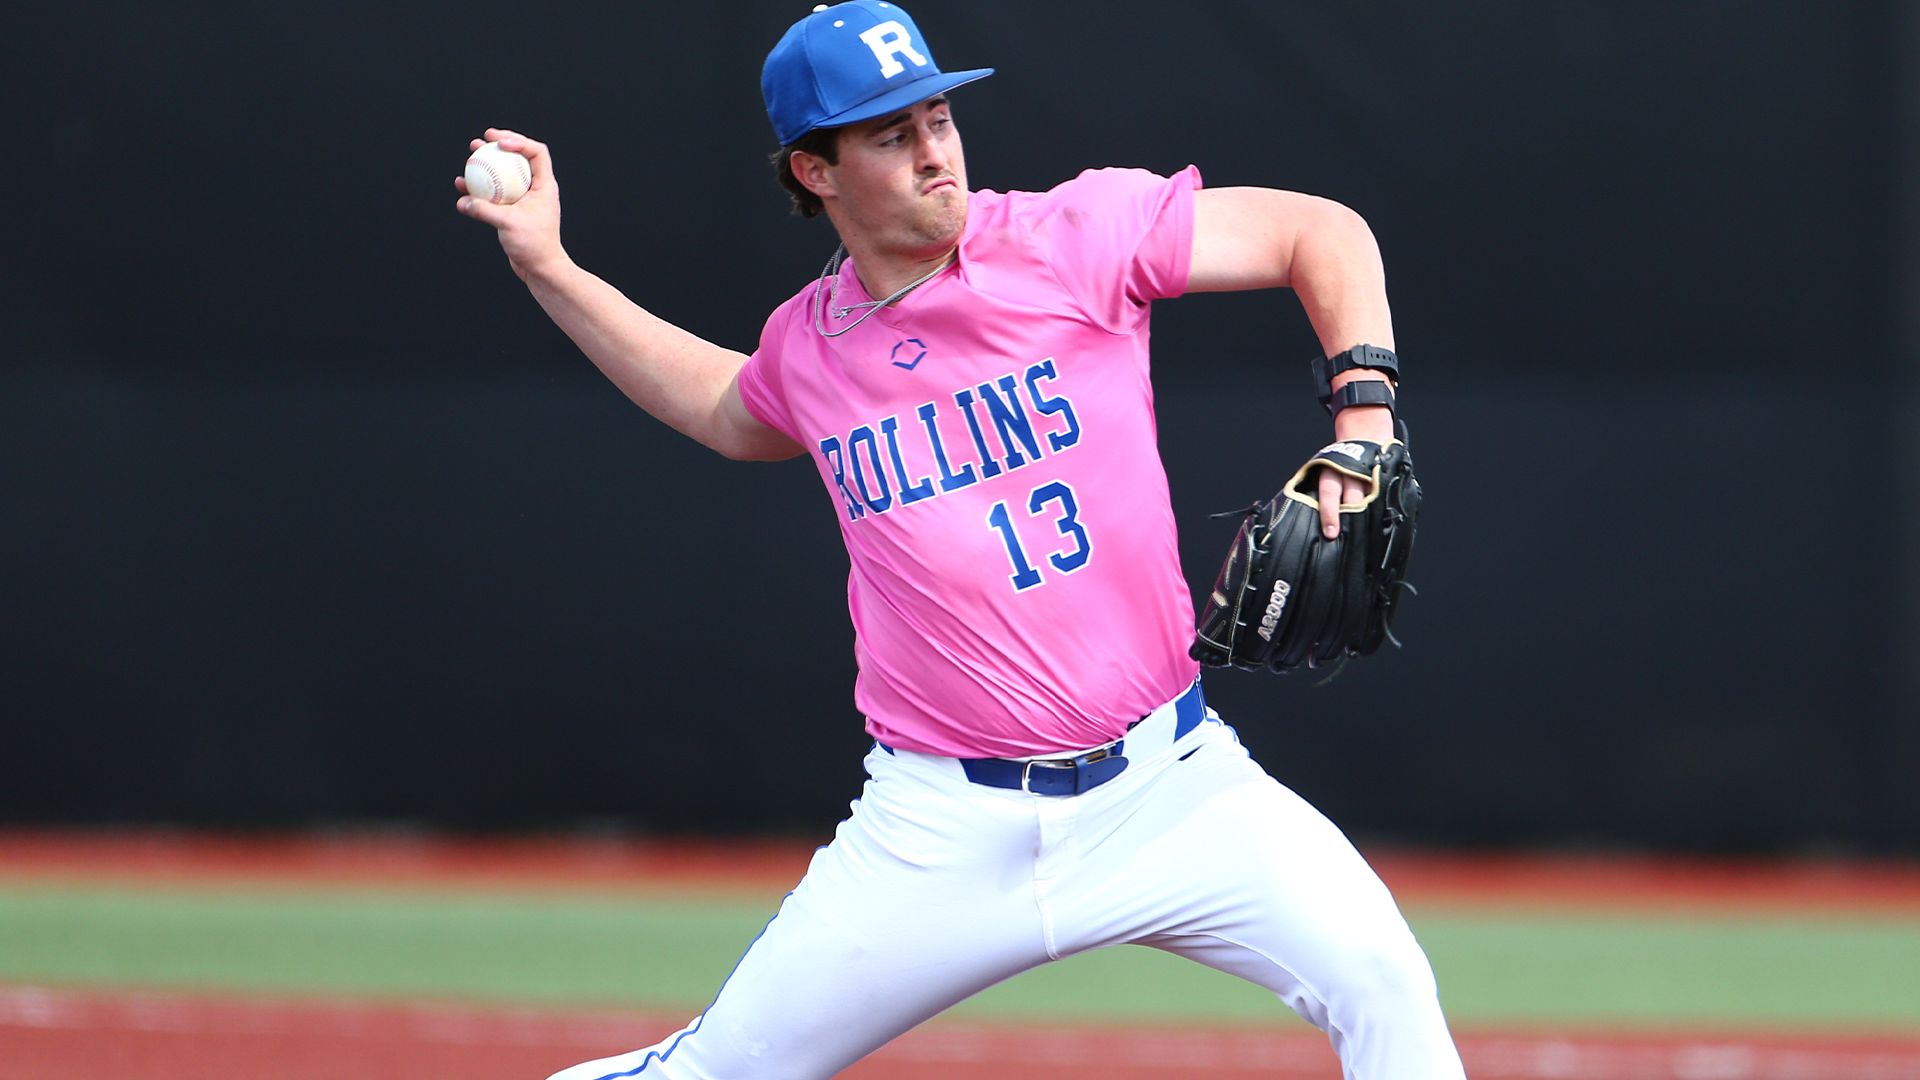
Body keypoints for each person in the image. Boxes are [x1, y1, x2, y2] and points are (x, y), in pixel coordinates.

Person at [457, 3, 1465, 1077]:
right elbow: (721, 405)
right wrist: (548, 268)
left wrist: (1363, 425)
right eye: (892, 135)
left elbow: (1321, 229)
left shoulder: (1073, 237)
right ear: (815, 172)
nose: (936, 150)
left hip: (1170, 788)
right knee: (719, 1071)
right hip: (940, 828)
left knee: (1381, 975)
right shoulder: (811, 347)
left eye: (938, 115)